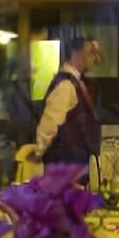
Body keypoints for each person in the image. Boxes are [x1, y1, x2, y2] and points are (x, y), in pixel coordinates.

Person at [35, 35, 103, 180]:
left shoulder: (77, 83)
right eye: (90, 52)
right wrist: (38, 152)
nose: (95, 59)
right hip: (65, 165)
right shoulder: (65, 84)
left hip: (76, 163)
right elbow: (50, 124)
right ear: (76, 53)